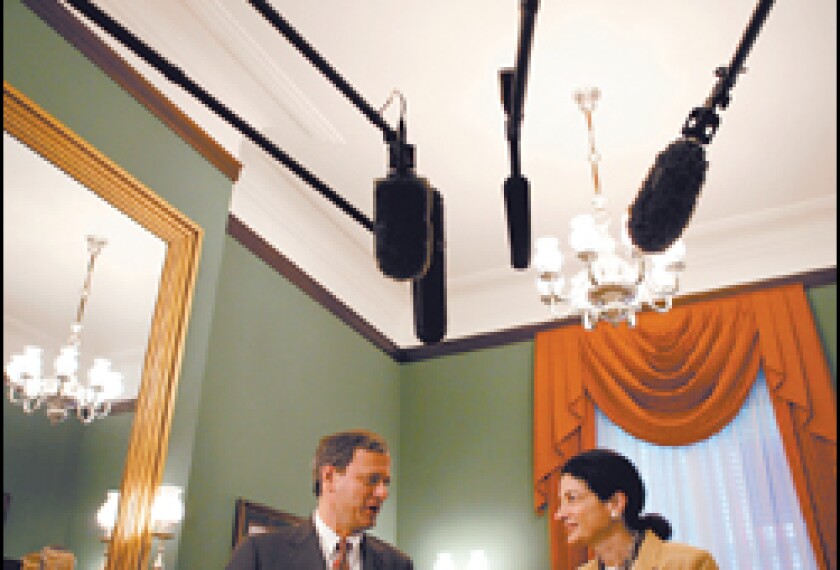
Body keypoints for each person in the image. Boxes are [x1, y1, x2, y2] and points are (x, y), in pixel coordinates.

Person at [226, 429, 413, 569]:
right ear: (329, 477)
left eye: (385, 482)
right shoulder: (260, 554)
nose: (383, 493)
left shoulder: (398, 565)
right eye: (372, 480)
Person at [555, 448, 719, 570]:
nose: (559, 514)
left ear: (615, 503)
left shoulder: (690, 564)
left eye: (572, 498)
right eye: (561, 502)